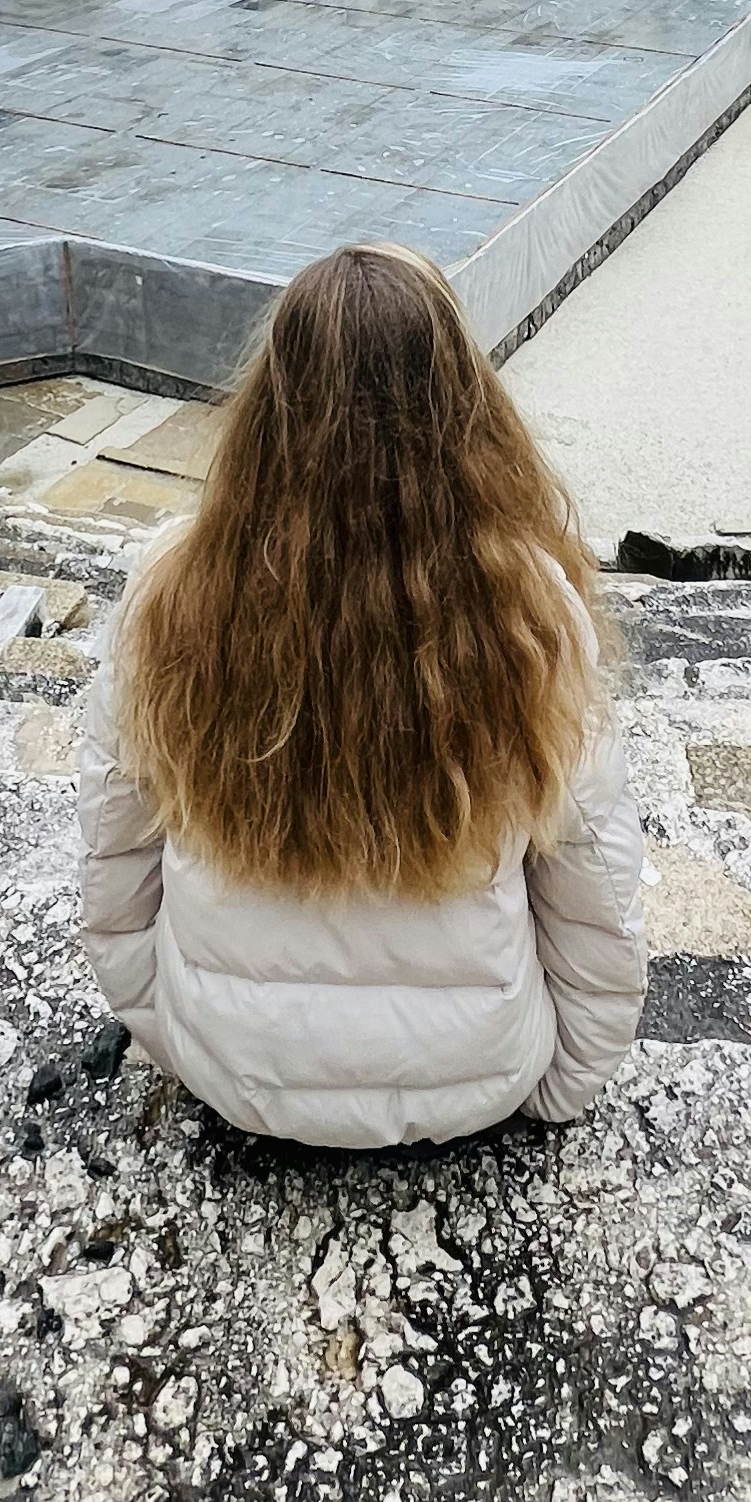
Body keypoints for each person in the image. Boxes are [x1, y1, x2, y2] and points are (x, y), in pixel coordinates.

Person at [77, 241, 646, 1148]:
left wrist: (183, 1043)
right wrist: (557, 1085)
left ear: (271, 402)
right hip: (478, 1077)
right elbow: (595, 893)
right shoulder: (532, 613)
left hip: (235, 1067)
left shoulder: (170, 593)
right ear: (464, 403)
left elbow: (114, 863)